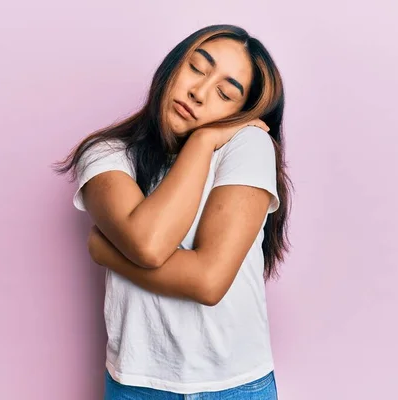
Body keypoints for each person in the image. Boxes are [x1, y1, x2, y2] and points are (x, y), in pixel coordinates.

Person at [54, 24, 291, 400]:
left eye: (225, 93)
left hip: (234, 386)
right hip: (137, 385)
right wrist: (204, 140)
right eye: (196, 68)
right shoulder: (106, 154)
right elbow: (149, 242)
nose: (198, 93)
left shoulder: (248, 145)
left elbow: (208, 282)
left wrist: (107, 253)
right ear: (173, 66)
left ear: (240, 112)